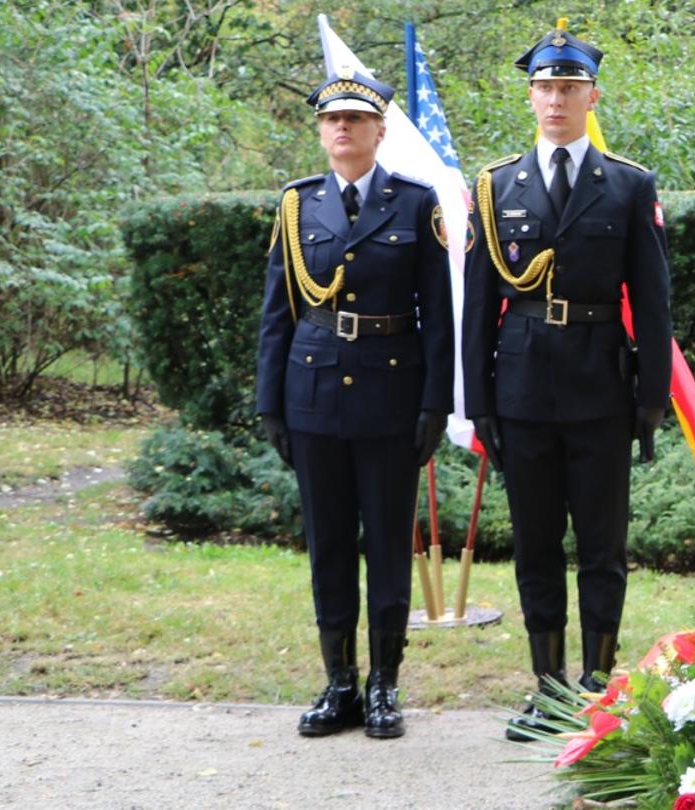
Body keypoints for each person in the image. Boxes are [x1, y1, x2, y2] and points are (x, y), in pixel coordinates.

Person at [461, 22, 673, 741]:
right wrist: (478, 401)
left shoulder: (628, 184)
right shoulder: (496, 186)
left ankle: (597, 686)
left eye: (569, 87)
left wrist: (650, 397)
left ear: (592, 95)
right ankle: (548, 687)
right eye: (545, 87)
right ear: (530, 97)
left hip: (600, 391)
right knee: (536, 544)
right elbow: (477, 306)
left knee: (604, 546)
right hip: (520, 390)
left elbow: (651, 299)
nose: (556, 99)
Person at [255, 71, 453, 739]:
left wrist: (435, 404)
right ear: (320, 130)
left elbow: (439, 314)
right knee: (330, 547)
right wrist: (270, 407)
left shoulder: (413, 204)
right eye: (331, 119)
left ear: (379, 130)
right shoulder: (297, 204)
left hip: (391, 397)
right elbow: (277, 315)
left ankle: (383, 686)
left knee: (389, 549)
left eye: (355, 119)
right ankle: (338, 683)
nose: (342, 128)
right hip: (311, 397)